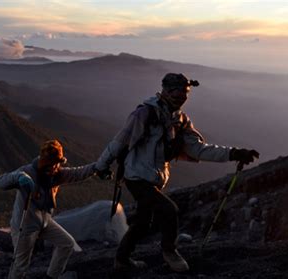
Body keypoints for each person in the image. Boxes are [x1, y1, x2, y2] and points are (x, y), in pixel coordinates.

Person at [94, 73, 259, 273]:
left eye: (184, 93)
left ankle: (122, 260)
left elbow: (199, 149)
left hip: (153, 178)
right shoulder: (144, 114)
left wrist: (234, 153)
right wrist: (101, 166)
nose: (181, 97)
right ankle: (170, 252)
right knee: (169, 210)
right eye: (177, 92)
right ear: (165, 91)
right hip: (136, 176)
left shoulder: (179, 120)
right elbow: (119, 142)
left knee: (143, 223)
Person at [0, 139, 99, 279]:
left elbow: (78, 173)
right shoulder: (28, 172)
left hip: (44, 221)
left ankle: (51, 276)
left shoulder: (56, 174)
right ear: (45, 161)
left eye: (58, 163)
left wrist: (98, 167)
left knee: (67, 244)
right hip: (25, 225)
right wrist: (18, 177)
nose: (56, 166)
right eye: (53, 163)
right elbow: (0, 182)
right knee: (21, 264)